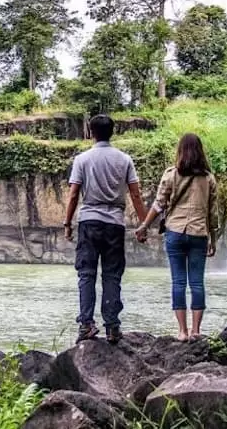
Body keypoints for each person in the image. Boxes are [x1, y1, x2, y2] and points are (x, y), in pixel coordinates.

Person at [64, 114, 148, 344]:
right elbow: (135, 194)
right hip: (114, 223)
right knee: (112, 274)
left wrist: (67, 223)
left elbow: (73, 195)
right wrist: (143, 224)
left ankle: (87, 325)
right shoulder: (124, 160)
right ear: (113, 133)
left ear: (91, 133)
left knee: (86, 274)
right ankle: (112, 327)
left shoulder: (82, 159)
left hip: (88, 221)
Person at [135, 133, 219, 342]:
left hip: (175, 233)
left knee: (178, 282)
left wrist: (144, 225)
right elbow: (213, 213)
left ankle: (181, 332)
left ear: (180, 151)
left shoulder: (171, 174)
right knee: (197, 283)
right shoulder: (208, 178)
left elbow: (159, 204)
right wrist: (213, 239)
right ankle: (196, 331)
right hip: (199, 234)